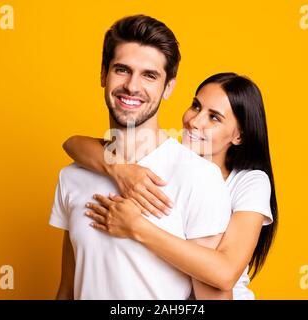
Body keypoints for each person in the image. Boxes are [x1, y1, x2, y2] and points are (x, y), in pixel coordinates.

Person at [49, 15, 233, 300]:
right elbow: (68, 288)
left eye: (149, 75)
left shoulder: (199, 178)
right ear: (103, 74)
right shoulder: (72, 176)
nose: (132, 87)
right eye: (122, 70)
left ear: (169, 87)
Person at [63, 72, 278, 300]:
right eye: (196, 106)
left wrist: (137, 227)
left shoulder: (249, 182)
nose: (195, 121)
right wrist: (120, 169)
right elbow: (74, 143)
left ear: (239, 135)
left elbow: (224, 273)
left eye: (214, 117)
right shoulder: (170, 162)